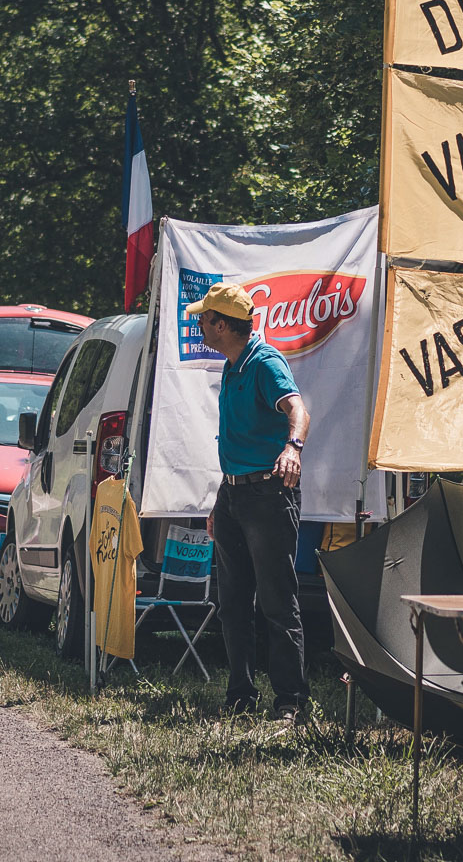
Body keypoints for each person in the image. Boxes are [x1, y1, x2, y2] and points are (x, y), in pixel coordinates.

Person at [186, 281, 312, 726]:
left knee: (276, 602)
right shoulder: (233, 365)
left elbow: (299, 409)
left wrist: (293, 447)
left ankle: (292, 702)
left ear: (222, 325)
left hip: (267, 495)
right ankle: (240, 696)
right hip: (235, 494)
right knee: (232, 601)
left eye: (204, 318)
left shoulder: (264, 361)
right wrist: (223, 498)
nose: (199, 323)